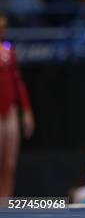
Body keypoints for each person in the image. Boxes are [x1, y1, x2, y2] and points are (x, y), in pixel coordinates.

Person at [0, 15, 35, 198]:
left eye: (4, 27)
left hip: (10, 110)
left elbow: (17, 82)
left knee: (10, 163)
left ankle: (4, 204)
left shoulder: (8, 49)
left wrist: (26, 110)